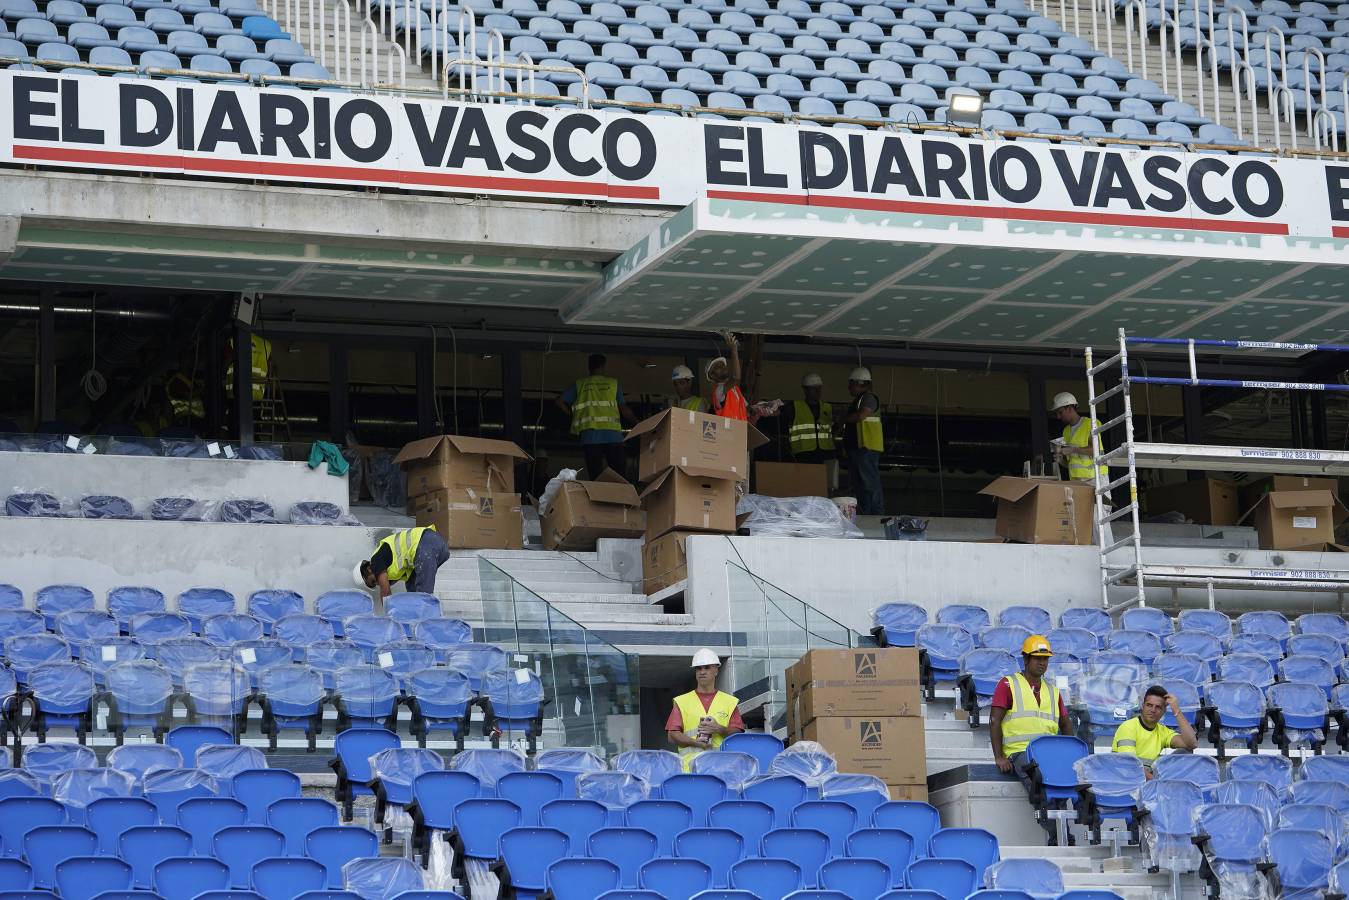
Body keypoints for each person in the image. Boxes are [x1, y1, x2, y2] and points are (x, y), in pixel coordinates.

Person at [990, 635, 1074, 797]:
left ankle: (1060, 821)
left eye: (1045, 659)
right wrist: (999, 757)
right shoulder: (1008, 684)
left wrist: (1068, 754)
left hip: (1048, 753)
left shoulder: (1053, 691)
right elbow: (994, 721)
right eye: (1037, 658)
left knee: (1063, 790)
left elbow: (1066, 724)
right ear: (1026, 659)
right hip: (1020, 752)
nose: (1042, 663)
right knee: (1041, 791)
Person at [555, 353, 637, 480]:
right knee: (620, 479)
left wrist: (574, 415)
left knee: (596, 479)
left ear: (588, 368)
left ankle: (598, 499)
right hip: (613, 436)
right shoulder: (613, 384)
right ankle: (621, 498)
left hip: (590, 438)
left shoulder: (580, 384)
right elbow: (624, 409)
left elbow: (560, 402)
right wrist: (637, 422)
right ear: (603, 367)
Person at [667, 647, 744, 771]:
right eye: (698, 668)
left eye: (707, 667)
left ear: (716, 671)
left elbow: (738, 735)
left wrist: (719, 729)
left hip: (721, 770)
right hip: (690, 771)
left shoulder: (729, 702)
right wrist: (695, 743)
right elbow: (672, 735)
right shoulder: (682, 701)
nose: (702, 671)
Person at [1111, 685, 1198, 773]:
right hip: (1126, 780)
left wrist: (1176, 710)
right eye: (1149, 705)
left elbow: (1192, 743)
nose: (1153, 710)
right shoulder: (1128, 727)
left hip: (1149, 778)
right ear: (1143, 706)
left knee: (1186, 751)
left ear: (1164, 711)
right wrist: (1156, 782)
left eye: (1158, 707)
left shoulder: (1162, 731)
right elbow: (1130, 765)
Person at [355, 524, 450, 600]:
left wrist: (387, 618)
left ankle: (425, 620)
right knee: (412, 588)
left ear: (368, 569)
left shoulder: (376, 561)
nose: (378, 583)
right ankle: (416, 620)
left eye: (373, 581)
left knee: (423, 594)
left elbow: (386, 592)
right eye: (374, 585)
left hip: (425, 542)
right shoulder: (391, 570)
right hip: (438, 547)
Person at [842, 366, 884, 515]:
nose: (849, 387)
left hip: (867, 448)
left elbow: (861, 416)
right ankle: (867, 512)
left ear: (859, 383)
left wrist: (842, 420)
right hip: (859, 449)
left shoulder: (869, 399)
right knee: (861, 484)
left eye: (851, 383)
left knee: (869, 483)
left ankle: (874, 514)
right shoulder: (858, 401)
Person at [1050, 392, 1108, 483]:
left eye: (1060, 412)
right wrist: (1061, 460)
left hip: (1096, 477)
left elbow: (1095, 450)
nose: (1058, 417)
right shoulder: (1066, 431)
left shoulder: (1090, 424)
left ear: (1069, 408)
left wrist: (1072, 450)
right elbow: (1072, 463)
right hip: (1077, 480)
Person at [782, 373, 835, 464]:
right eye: (814, 388)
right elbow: (777, 414)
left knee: (826, 478)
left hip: (826, 453)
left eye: (819, 388)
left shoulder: (827, 407)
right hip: (804, 454)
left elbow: (834, 428)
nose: (818, 391)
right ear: (805, 390)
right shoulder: (794, 407)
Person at [706, 333, 749, 422]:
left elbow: (748, 411)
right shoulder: (718, 391)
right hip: (729, 434)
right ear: (712, 376)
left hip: (739, 433)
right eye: (718, 367)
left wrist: (763, 408)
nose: (723, 367)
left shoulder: (735, 390)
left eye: (723, 365)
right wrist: (734, 350)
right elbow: (736, 377)